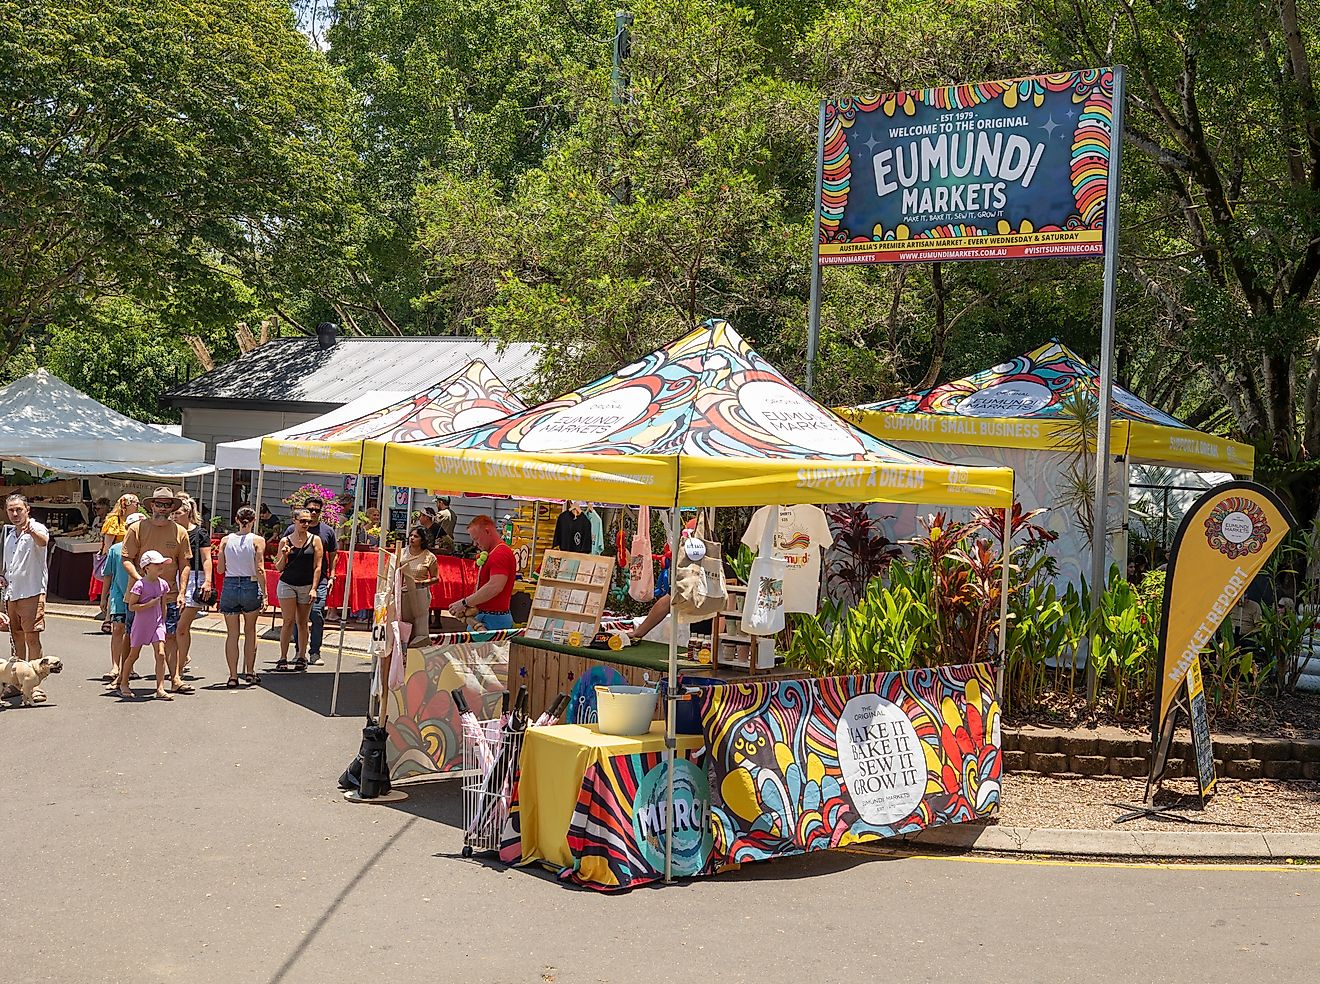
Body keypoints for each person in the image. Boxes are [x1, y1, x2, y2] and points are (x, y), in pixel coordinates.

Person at [121, 487, 192, 695]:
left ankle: (174, 679)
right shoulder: (137, 528)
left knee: (169, 637)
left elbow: (185, 564)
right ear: (152, 505)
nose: (162, 508)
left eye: (167, 504)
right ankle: (123, 678)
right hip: (138, 594)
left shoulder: (180, 531)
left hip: (167, 594)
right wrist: (141, 580)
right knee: (131, 637)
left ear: (172, 507)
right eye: (158, 504)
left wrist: (182, 592)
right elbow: (126, 558)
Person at [2, 494, 51, 699]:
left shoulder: (37, 528)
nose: (14, 514)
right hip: (12, 592)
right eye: (11, 510)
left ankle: (35, 684)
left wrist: (30, 531)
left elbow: (43, 541)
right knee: (16, 637)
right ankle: (17, 681)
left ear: (27, 509)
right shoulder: (9, 534)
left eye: (18, 509)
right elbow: (9, 562)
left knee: (32, 637)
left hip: (31, 591)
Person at [216, 506, 266, 687]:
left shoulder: (225, 540)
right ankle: (250, 672)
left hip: (230, 584)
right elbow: (260, 568)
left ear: (236, 519)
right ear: (253, 520)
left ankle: (232, 675)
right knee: (250, 631)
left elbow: (220, 569)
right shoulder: (258, 540)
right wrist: (265, 593)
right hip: (250, 584)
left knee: (232, 634)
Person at [284, 496, 336, 664]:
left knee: (316, 614)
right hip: (295, 580)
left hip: (319, 580)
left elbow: (333, 555)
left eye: (317, 510)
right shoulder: (291, 530)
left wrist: (332, 575)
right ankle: (299, 652)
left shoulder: (327, 531)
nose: (313, 513)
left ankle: (315, 652)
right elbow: (283, 554)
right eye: (310, 509)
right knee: (297, 618)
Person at [117, 549, 173, 700]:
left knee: (161, 653)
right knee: (133, 655)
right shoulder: (139, 585)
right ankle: (123, 682)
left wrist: (163, 621)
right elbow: (131, 606)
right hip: (141, 624)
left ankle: (160, 688)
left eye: (162, 563)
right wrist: (148, 605)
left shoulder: (163, 584)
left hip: (157, 623)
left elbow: (164, 605)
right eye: (157, 564)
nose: (161, 566)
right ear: (147, 567)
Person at [172, 495, 213, 687]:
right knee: (176, 628)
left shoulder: (200, 533)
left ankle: (178, 669)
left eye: (177, 513)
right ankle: (180, 661)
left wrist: (208, 581)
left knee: (181, 626)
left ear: (187, 512)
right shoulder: (172, 532)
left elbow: (206, 559)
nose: (174, 516)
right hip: (174, 577)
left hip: (194, 580)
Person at [274, 508, 323, 670]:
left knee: (302, 622)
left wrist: (314, 588)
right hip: (287, 583)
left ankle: (302, 656)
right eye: (302, 521)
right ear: (294, 521)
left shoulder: (315, 540)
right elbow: (279, 567)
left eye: (308, 521)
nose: (306, 524)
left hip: (306, 584)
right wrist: (285, 555)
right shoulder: (285, 541)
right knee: (288, 621)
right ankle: (282, 658)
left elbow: (318, 567)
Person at [447, 515, 515, 630]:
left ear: (487, 531)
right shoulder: (495, 552)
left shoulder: (500, 554)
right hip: (488, 617)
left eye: (476, 539)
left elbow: (495, 586)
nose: (475, 544)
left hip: (493, 621)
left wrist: (464, 603)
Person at [103, 512, 146, 684]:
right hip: (119, 595)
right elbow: (108, 574)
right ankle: (115, 666)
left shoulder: (146, 550)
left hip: (138, 597)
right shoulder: (115, 549)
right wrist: (103, 597)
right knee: (118, 629)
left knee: (132, 632)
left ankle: (129, 666)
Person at [95, 493, 140, 632]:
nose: (138, 505)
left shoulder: (139, 520)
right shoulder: (115, 520)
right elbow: (108, 544)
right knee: (115, 587)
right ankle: (109, 618)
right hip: (118, 557)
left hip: (133, 557)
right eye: (135, 503)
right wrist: (112, 559)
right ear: (126, 504)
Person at [400, 526, 440, 646]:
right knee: (403, 625)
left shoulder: (430, 557)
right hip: (403, 593)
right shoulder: (401, 553)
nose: (412, 538)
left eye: (416, 536)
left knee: (419, 627)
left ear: (422, 540)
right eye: (411, 535)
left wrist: (420, 583)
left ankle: (418, 654)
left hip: (420, 593)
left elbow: (436, 578)